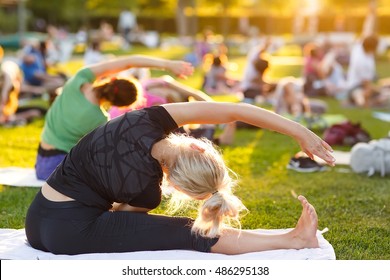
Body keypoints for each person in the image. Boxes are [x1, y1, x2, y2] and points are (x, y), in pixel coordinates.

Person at [25, 101, 335, 255]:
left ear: (198, 145)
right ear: (174, 184)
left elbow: (234, 110)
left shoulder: (146, 118)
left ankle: (294, 239)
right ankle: (294, 240)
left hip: (37, 217)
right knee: (189, 231)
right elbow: (123, 222)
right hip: (68, 232)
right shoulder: (146, 191)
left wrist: (301, 132)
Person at [34, 55, 193, 181]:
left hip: (42, 161)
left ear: (113, 79)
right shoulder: (99, 120)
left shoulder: (79, 79)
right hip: (59, 169)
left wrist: (168, 65)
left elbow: (129, 62)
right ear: (119, 105)